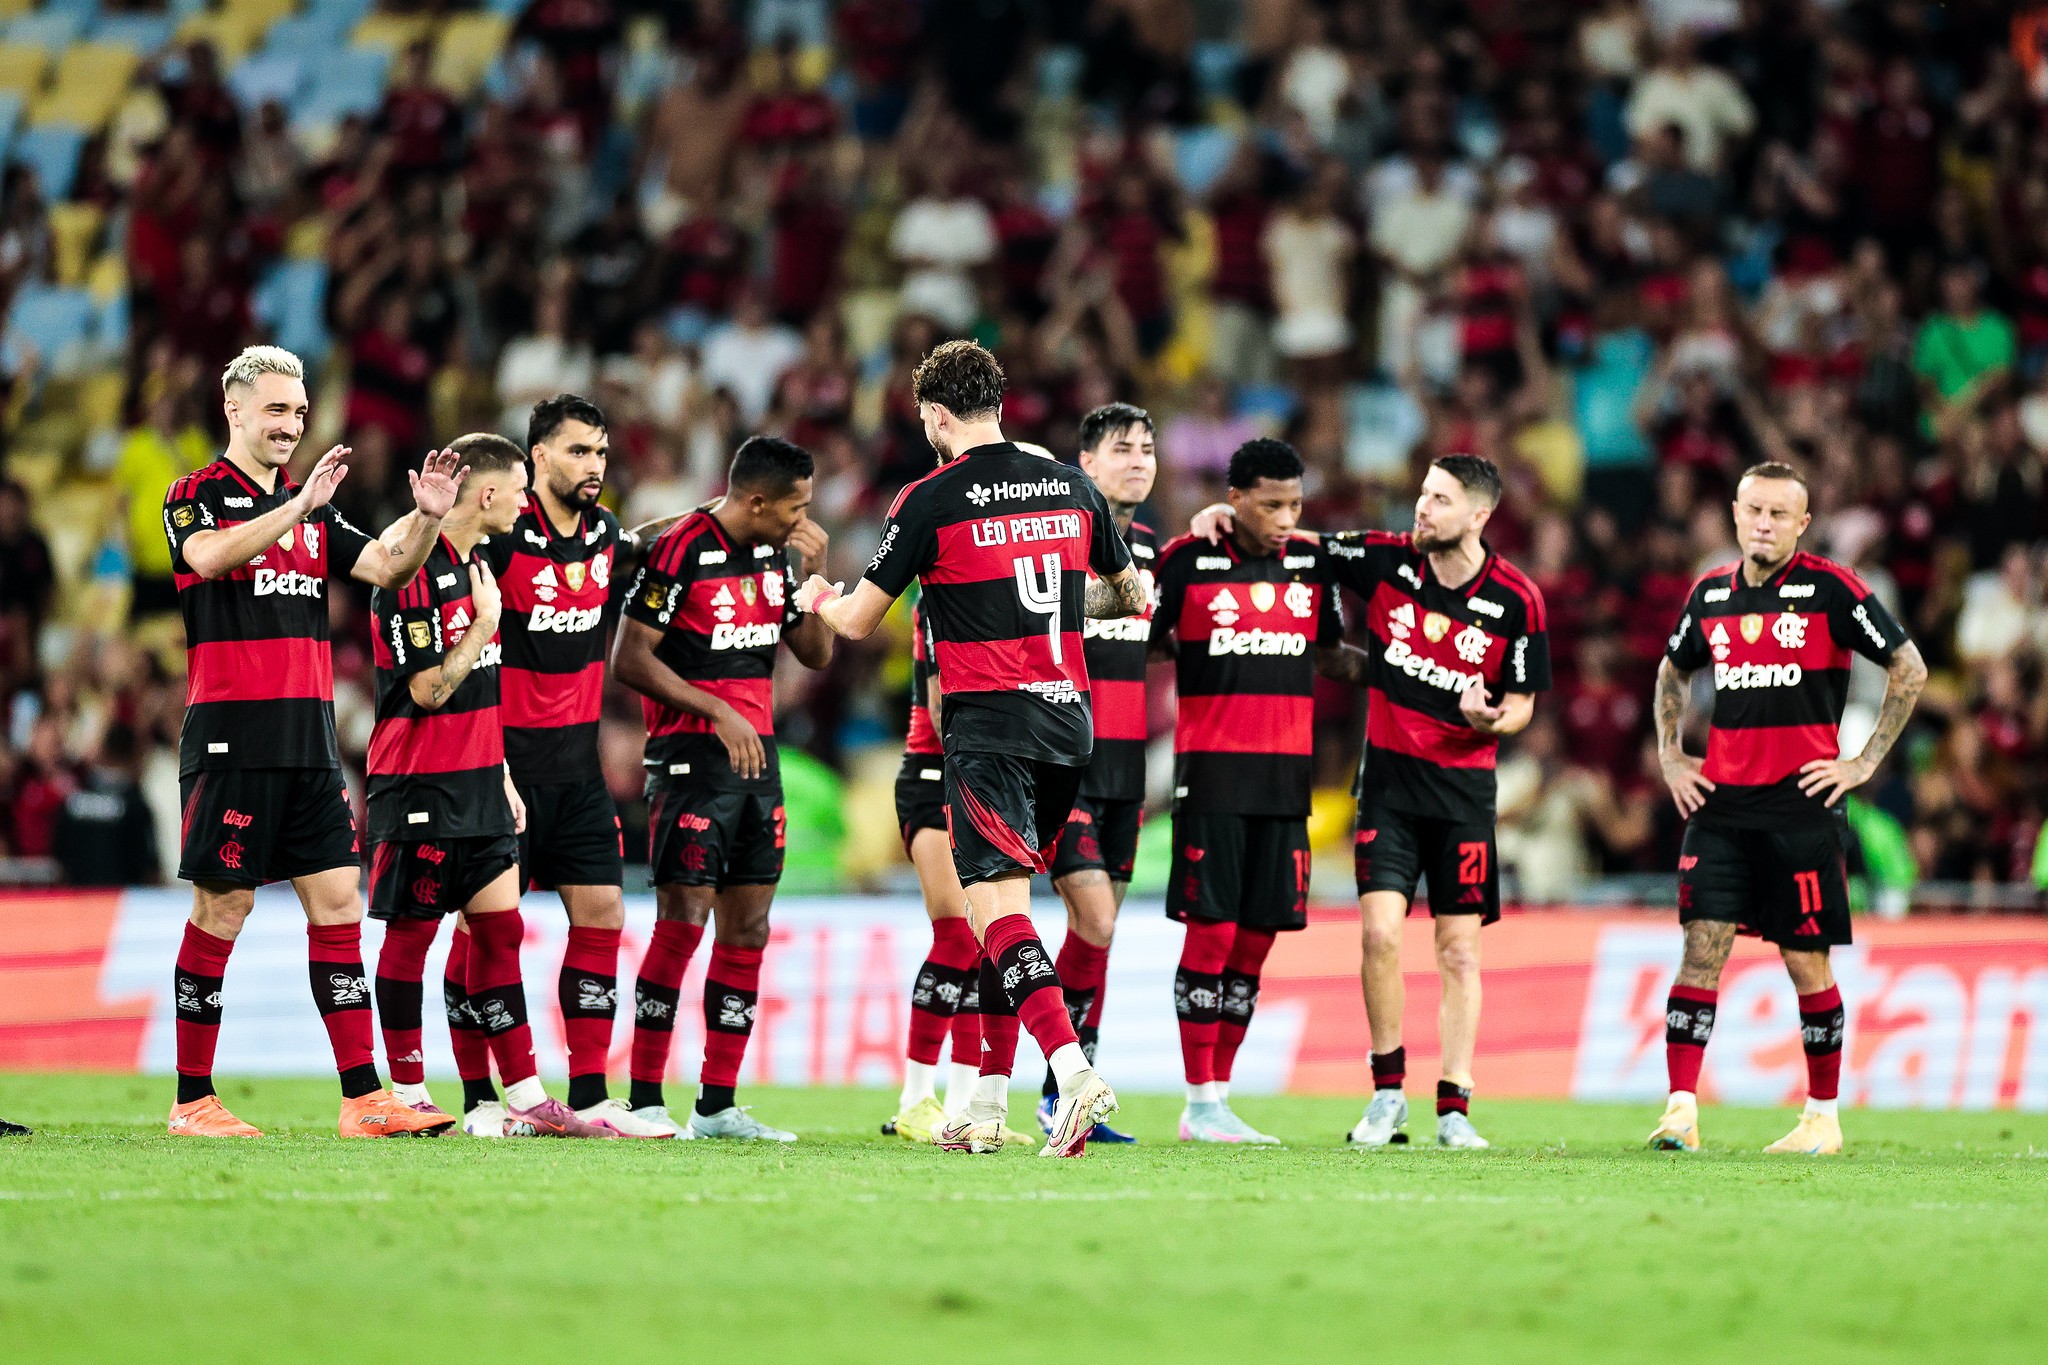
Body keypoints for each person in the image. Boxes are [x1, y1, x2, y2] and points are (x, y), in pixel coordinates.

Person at [794, 340, 1149, 1157]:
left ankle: (1072, 1071)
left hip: (991, 727)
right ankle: (985, 1104)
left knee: (996, 911)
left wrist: (815, 591)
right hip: (1072, 725)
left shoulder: (930, 498)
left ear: (936, 416)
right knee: (1005, 921)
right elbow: (1129, 594)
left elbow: (852, 625)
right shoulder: (1072, 484)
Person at [1195, 453, 1551, 1148]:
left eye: (1441, 500)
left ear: (1479, 515)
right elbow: (1302, 545)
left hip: (1464, 798)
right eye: (1423, 493)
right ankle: (1387, 1094)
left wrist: (1493, 718)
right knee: (1381, 934)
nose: (1422, 508)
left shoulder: (1516, 598)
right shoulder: (1387, 560)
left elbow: (1523, 706)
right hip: (1387, 789)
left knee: (1458, 952)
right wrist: (1225, 519)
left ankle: (1454, 1108)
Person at [161, 345, 461, 1138]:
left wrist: (428, 517)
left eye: (298, 411)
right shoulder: (196, 497)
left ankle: (364, 1098)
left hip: (309, 743)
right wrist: (297, 510)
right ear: (234, 410)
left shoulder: (315, 511)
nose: (291, 424)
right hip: (232, 739)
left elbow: (392, 568)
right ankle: (193, 1099)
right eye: (276, 409)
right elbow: (208, 556)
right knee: (221, 908)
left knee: (336, 907)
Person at [1651, 462, 1926, 1155]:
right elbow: (1672, 669)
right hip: (1719, 805)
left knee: (1807, 964)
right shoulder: (1710, 593)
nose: (1764, 523)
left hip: (1801, 807)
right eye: (1754, 510)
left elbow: (1909, 667)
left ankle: (1821, 1117)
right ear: (1735, 514)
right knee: (1700, 951)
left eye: (1779, 513)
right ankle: (1680, 1110)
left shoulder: (1833, 589)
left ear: (1802, 524)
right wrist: (1671, 754)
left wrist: (1861, 761)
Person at [364, 432, 611, 1140]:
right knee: (412, 940)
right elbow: (430, 688)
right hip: (418, 781)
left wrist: (500, 771)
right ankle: (407, 1092)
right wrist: (485, 626)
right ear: (492, 493)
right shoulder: (411, 566)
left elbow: (481, 686)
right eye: (521, 490)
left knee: (502, 930)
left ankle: (526, 1093)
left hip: (478, 782)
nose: (530, 503)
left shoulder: (475, 562)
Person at [465, 394, 674, 1139]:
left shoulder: (606, 532)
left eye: (602, 453)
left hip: (578, 770)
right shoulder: (501, 539)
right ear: (539, 457)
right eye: (580, 451)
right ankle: (481, 1098)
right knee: (488, 931)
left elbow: (634, 561)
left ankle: (587, 1094)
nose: (595, 466)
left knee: (604, 917)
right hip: (502, 766)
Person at [613, 437, 834, 1141]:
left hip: (756, 759)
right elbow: (630, 657)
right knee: (683, 921)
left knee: (750, 927)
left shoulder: (777, 553)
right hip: (689, 757)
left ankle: (717, 1104)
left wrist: (814, 572)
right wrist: (715, 709)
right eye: (796, 506)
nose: (805, 517)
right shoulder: (681, 547)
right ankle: (645, 1098)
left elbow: (815, 653)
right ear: (757, 500)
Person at [1153, 439, 1365, 1143]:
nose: (1286, 517)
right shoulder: (1186, 560)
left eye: (1296, 504)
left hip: (1286, 782)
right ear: (1235, 498)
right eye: (1271, 503)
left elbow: (1331, 652)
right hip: (1212, 776)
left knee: (1257, 939)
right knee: (1211, 934)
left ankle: (1217, 1098)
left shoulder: (1310, 562)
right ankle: (1200, 1097)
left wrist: (1401, 673)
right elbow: (1144, 640)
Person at [1034, 403, 1159, 1143]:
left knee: (1097, 934)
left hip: (1126, 768)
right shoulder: (1057, 543)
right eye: (1122, 448)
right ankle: (1059, 1077)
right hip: (1063, 765)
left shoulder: (1155, 551)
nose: (1139, 460)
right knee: (1097, 917)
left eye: (1148, 448)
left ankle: (1061, 1097)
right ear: (1086, 463)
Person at [53, 723, 160, 887]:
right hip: (119, 904)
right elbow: (147, 866)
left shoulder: (75, 799)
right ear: (134, 755)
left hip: (77, 900)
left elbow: (60, 858)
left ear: (105, 751)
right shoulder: (134, 804)